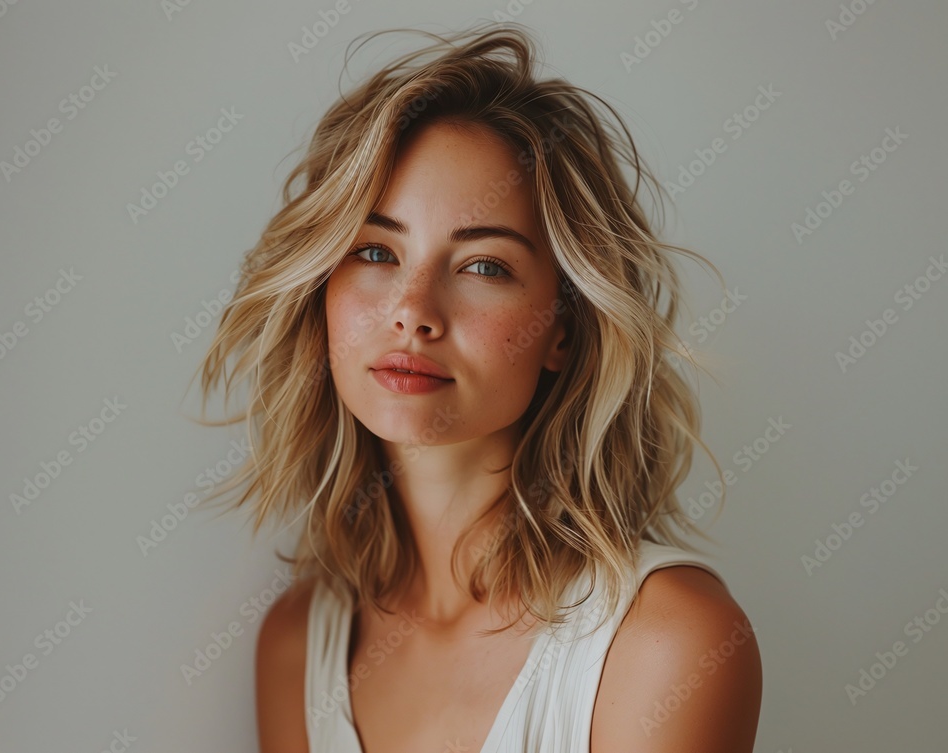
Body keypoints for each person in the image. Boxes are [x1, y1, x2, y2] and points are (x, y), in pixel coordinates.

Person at [192, 21, 761, 753]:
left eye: (484, 265)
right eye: (375, 251)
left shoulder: (667, 642)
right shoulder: (298, 645)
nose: (413, 311)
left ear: (564, 327)